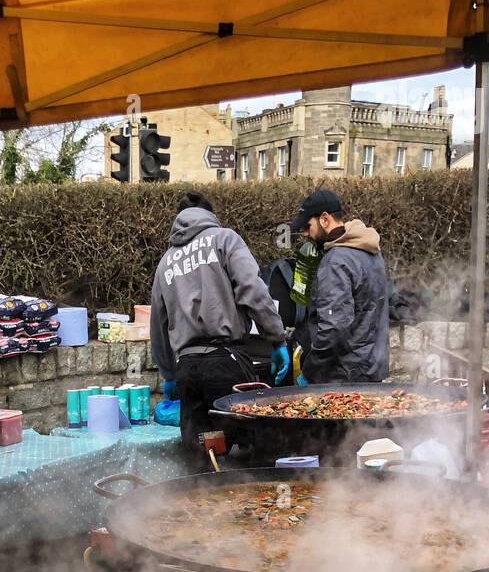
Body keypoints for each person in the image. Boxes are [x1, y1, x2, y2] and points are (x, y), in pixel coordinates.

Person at [151, 191, 289, 449]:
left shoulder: (165, 262)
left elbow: (158, 326)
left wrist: (168, 373)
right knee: (245, 451)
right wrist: (277, 339)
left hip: (187, 368)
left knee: (201, 452)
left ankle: (201, 487)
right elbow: (253, 290)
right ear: (210, 215)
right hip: (226, 362)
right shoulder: (225, 239)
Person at [290, 189, 389, 385]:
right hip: (372, 369)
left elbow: (333, 327)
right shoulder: (370, 252)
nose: (304, 233)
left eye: (307, 226)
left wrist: (309, 372)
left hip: (342, 377)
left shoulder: (336, 261)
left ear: (325, 219)